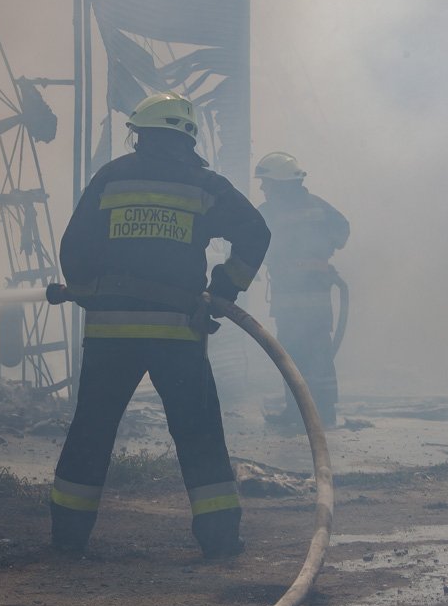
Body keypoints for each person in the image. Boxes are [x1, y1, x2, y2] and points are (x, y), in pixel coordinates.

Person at [50, 91, 270, 559]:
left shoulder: (110, 178)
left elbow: (74, 245)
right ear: (188, 137)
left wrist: (86, 287)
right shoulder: (205, 184)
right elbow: (256, 231)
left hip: (111, 334)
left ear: (142, 134)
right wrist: (223, 288)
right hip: (177, 335)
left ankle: (67, 541)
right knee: (198, 432)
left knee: (91, 431)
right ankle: (219, 541)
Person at [254, 151, 350, 427]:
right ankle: (325, 412)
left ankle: (297, 414)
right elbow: (342, 229)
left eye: (266, 183)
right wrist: (324, 251)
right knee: (319, 351)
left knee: (292, 354)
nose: (263, 188)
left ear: (280, 182)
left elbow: (251, 241)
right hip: (317, 298)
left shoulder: (269, 211)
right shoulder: (317, 205)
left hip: (290, 299)